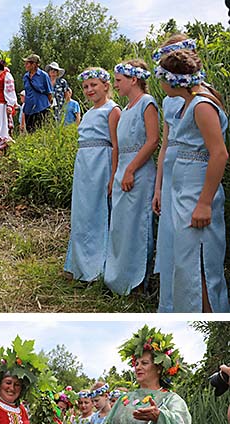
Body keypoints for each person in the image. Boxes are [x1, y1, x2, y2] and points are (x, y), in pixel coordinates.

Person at [156, 49, 229, 312]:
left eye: (162, 77)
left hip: (197, 194)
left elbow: (219, 154)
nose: (160, 83)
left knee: (201, 265)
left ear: (174, 80)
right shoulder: (189, 103)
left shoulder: (201, 105)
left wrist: (204, 204)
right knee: (186, 264)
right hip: (183, 192)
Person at [104, 60, 159, 296]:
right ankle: (120, 278)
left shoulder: (147, 103)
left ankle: (138, 283)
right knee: (121, 228)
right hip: (123, 172)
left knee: (139, 227)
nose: (115, 85)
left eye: (118, 80)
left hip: (139, 173)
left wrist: (130, 170)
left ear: (133, 79)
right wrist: (118, 172)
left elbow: (152, 141)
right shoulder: (125, 110)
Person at [152, 35, 197, 312]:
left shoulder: (200, 98)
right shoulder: (169, 101)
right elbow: (164, 143)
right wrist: (158, 188)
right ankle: (168, 302)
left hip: (193, 170)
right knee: (169, 237)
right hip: (171, 168)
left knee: (187, 241)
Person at [64, 68, 120, 283]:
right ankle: (78, 265)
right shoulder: (88, 113)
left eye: (94, 85)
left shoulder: (112, 110)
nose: (89, 90)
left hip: (101, 164)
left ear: (106, 85)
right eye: (86, 86)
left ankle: (97, 268)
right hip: (84, 166)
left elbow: (116, 146)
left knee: (98, 213)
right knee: (82, 214)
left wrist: (113, 175)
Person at [22, 53, 53, 131]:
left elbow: (49, 92)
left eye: (27, 63)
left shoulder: (43, 76)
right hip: (29, 109)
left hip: (42, 108)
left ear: (34, 64)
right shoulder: (25, 77)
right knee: (30, 132)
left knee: (42, 131)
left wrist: (47, 107)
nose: (25, 65)